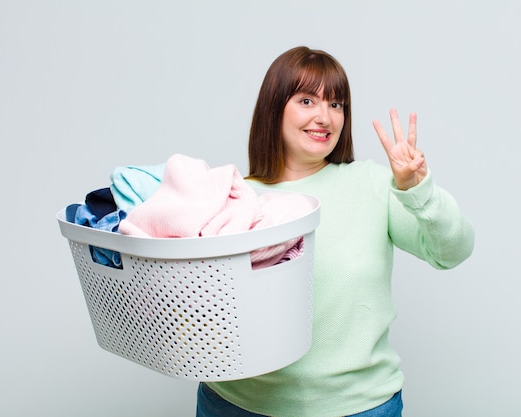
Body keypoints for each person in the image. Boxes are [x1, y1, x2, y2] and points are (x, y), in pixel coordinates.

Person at [197, 46, 475, 417]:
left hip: (358, 407)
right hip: (235, 404)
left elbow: (452, 251)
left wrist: (417, 188)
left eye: (337, 104)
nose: (325, 117)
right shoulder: (234, 196)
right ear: (274, 108)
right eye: (307, 100)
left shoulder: (375, 185)